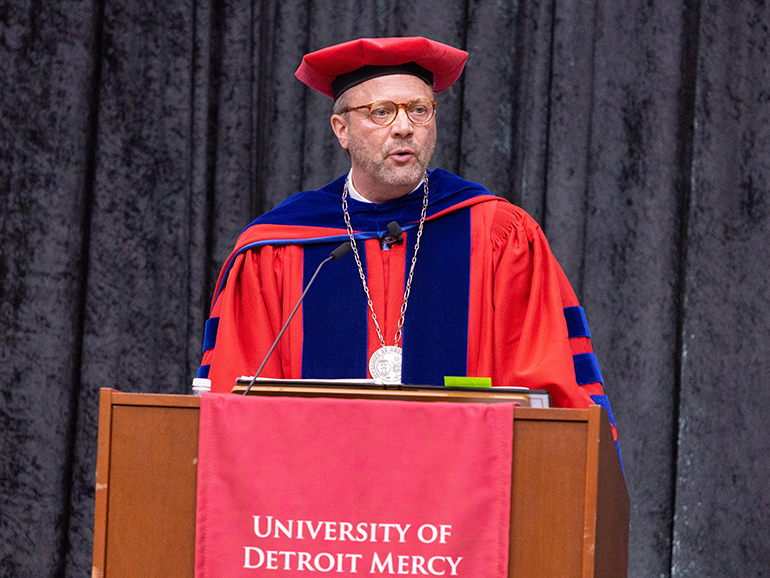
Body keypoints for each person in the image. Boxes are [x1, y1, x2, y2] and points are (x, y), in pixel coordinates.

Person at [196, 37, 619, 437]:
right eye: (381, 111)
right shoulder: (278, 246)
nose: (404, 127)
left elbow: (550, 389)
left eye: (419, 110)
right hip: (316, 502)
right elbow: (235, 400)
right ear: (341, 129)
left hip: (463, 497)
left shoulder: (496, 233)